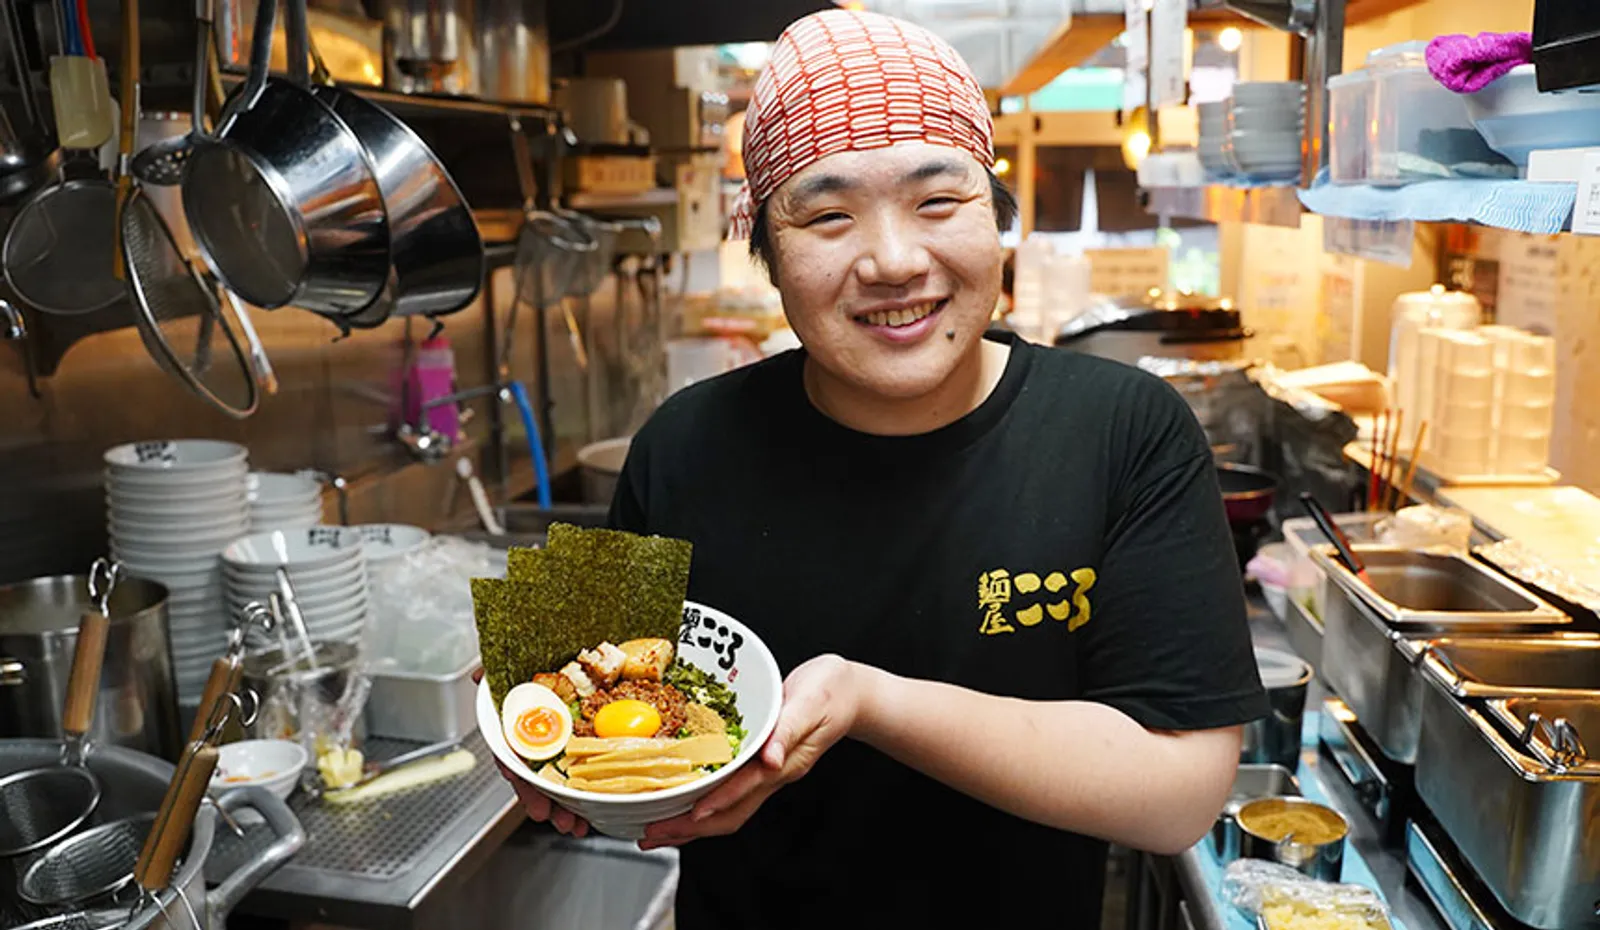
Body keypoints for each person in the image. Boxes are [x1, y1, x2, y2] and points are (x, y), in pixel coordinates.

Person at [492, 9, 1268, 927]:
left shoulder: (1125, 430)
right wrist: (519, 695)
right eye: (827, 216)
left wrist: (870, 701)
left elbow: (1177, 792)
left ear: (997, 218)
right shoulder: (683, 441)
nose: (896, 262)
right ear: (770, 259)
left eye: (938, 203)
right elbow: (579, 704)